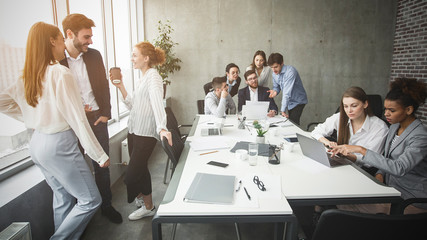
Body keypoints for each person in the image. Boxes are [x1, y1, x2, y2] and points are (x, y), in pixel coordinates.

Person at [0, 22, 109, 239]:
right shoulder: (60, 72)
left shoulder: (28, 76)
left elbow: (4, 102)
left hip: (37, 143)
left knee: (63, 198)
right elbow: (77, 119)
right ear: (52, 41)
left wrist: (36, 116)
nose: (62, 46)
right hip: (59, 144)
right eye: (60, 40)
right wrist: (99, 154)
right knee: (91, 200)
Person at [60, 13, 122, 224]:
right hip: (71, 123)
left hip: (96, 119)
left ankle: (106, 206)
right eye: (86, 37)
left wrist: (106, 113)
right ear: (70, 34)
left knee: (102, 165)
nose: (90, 41)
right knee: (75, 169)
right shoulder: (56, 59)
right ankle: (81, 215)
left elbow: (103, 86)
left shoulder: (94, 55)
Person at [331, 78, 427, 214]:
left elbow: (399, 167)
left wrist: (360, 149)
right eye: (385, 109)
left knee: (348, 205)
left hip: (410, 198)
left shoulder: (420, 136)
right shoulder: (394, 128)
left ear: (409, 110)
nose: (386, 114)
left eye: (392, 110)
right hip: (389, 189)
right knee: (343, 194)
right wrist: (380, 174)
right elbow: (387, 158)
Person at [111, 41, 172, 220]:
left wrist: (161, 127)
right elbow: (133, 106)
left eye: (135, 55)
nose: (132, 59)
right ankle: (148, 206)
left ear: (146, 58)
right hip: (134, 131)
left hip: (146, 135)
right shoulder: (142, 79)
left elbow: (157, 102)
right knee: (142, 170)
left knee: (131, 176)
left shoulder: (153, 76)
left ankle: (139, 199)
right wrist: (121, 86)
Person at [311, 86, 389, 175]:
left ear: (365, 104)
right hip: (342, 166)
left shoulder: (379, 127)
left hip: (362, 172)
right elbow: (316, 131)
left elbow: (370, 162)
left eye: (354, 106)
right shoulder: (340, 117)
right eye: (346, 106)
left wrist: (348, 155)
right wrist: (327, 142)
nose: (349, 111)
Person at [267, 53, 308, 125]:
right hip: (289, 102)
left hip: (298, 101)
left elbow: (286, 93)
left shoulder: (290, 72)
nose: (273, 70)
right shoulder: (274, 73)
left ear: (282, 63)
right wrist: (275, 91)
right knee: (289, 123)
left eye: (276, 67)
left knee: (293, 124)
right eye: (272, 67)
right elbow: (277, 86)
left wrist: (282, 111)